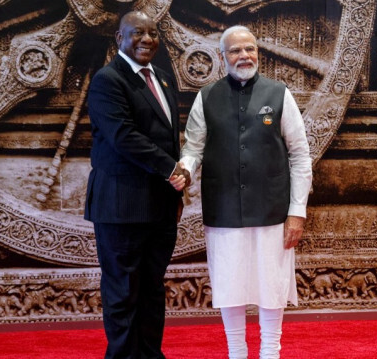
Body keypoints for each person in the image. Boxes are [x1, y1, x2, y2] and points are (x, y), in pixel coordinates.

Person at [170, 25, 312, 359]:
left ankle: (270, 352)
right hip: (223, 209)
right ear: (222, 56)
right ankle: (236, 351)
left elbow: (300, 156)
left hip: (273, 209)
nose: (244, 56)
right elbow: (193, 149)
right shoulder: (207, 97)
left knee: (271, 284)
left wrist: (297, 212)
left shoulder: (279, 94)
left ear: (257, 53)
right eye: (235, 50)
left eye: (250, 49)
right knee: (229, 283)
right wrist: (185, 170)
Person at [85, 10, 190, 359]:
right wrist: (173, 169)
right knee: (123, 292)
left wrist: (176, 184)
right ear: (119, 39)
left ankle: (150, 354)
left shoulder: (161, 77)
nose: (147, 39)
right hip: (121, 206)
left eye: (153, 33)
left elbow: (168, 136)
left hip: (159, 207)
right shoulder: (107, 80)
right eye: (137, 33)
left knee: (151, 290)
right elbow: (123, 136)